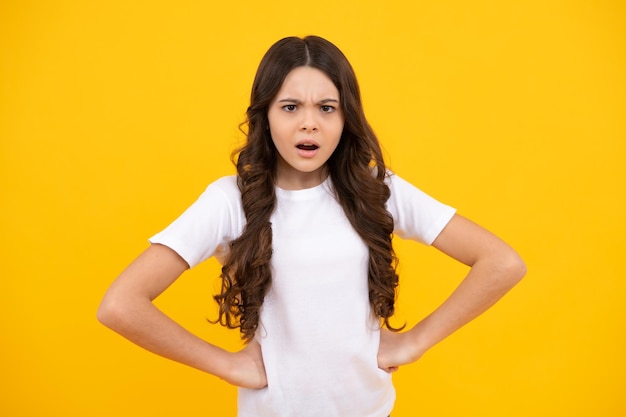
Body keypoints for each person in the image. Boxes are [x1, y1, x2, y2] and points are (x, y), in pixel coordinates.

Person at [97, 35, 526, 417]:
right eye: (290, 107)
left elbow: (501, 262)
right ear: (265, 116)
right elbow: (121, 304)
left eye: (327, 108)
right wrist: (226, 365)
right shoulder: (230, 201)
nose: (309, 123)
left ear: (345, 118)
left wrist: (415, 342)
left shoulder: (377, 189)